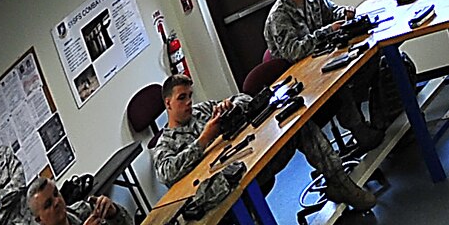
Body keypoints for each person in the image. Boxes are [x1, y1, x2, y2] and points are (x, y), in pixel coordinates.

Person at [154, 69, 376, 212]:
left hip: (252, 162)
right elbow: (167, 173)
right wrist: (204, 139)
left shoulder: (202, 111)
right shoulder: (165, 143)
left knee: (300, 126)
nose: (188, 102)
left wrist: (232, 105)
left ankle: (340, 183)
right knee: (242, 195)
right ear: (168, 103)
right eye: (181, 98)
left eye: (190, 96)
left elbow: (244, 98)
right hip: (226, 189)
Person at [264, 0, 383, 151]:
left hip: (324, 59)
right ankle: (359, 130)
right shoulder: (279, 16)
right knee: (338, 80)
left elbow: (332, 12)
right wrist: (327, 31)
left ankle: (379, 118)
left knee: (372, 57)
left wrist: (344, 13)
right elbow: (294, 52)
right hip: (301, 78)